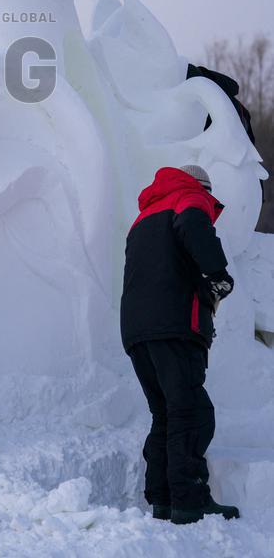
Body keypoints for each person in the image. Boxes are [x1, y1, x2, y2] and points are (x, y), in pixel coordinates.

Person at [120, 164, 239, 525]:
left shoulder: (143, 218)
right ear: (202, 187)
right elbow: (194, 227)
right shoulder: (189, 197)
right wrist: (218, 275)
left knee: (166, 414)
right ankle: (190, 501)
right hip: (174, 325)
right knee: (192, 412)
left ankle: (163, 500)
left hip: (138, 331)